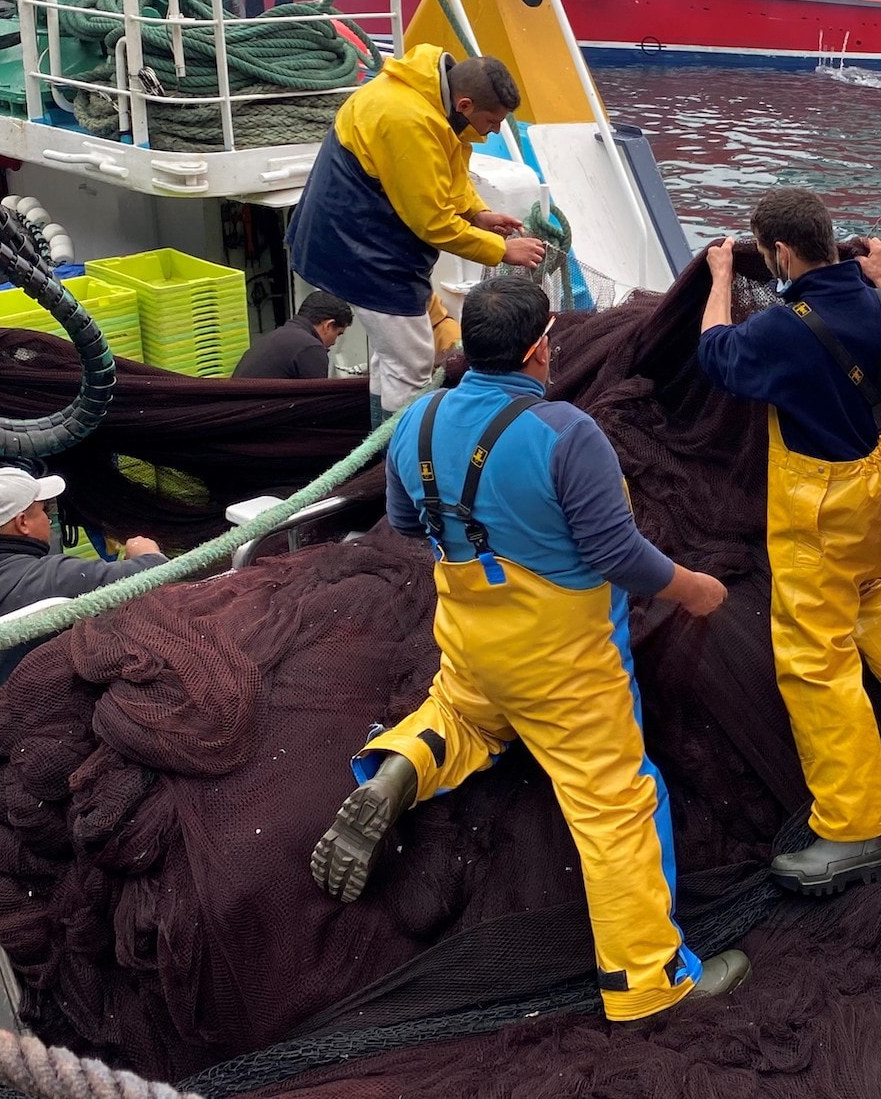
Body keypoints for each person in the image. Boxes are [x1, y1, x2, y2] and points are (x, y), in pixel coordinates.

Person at [311, 277, 747, 1021]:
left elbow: (407, 524)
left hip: (471, 645)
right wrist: (693, 588)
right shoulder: (568, 434)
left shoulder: (417, 420)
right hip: (563, 666)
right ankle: (647, 980)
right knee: (615, 797)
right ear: (541, 347)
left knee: (463, 718)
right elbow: (618, 555)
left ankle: (400, 769)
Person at [697, 189, 881, 897]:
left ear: (782, 253)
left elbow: (717, 355)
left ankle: (858, 827)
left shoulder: (783, 328)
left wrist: (719, 279)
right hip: (880, 479)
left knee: (812, 654)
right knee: (860, 588)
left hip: (819, 500)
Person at [285, 46, 546, 425]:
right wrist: (502, 250)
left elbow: (445, 170)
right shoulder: (409, 121)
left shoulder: (430, 97)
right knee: (412, 364)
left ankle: (382, 445)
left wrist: (477, 213)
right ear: (466, 104)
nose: (493, 132)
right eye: (491, 121)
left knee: (391, 358)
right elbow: (433, 223)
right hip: (360, 253)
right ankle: (400, 454)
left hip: (371, 244)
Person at [0, 470, 164, 692]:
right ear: (22, 523)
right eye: (44, 510)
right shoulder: (55, 577)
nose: (48, 519)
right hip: (76, 707)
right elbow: (156, 573)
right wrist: (144, 551)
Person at [232, 291, 352, 381]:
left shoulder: (278, 336)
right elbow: (316, 402)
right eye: (338, 334)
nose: (334, 343)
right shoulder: (310, 348)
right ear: (328, 325)